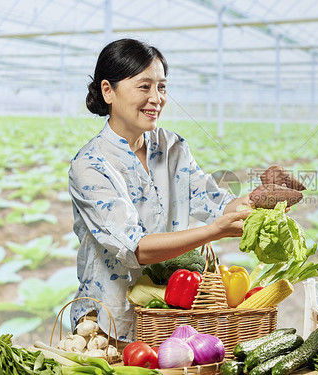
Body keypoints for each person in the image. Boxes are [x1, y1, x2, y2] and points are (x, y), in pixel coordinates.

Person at [67, 38, 258, 343]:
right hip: (108, 324)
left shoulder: (172, 146)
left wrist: (262, 198)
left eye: (162, 87)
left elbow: (217, 203)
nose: (156, 98)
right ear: (108, 91)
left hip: (165, 313)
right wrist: (214, 232)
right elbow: (136, 248)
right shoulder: (89, 165)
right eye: (144, 87)